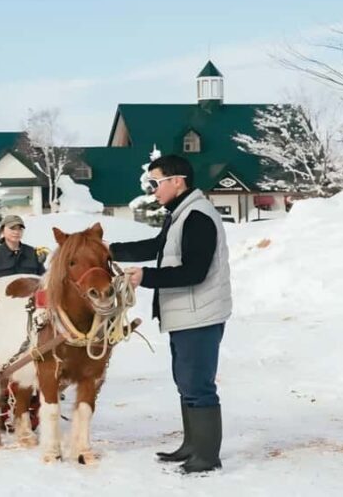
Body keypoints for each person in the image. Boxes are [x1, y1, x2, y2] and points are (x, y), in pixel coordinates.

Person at [109, 154, 231, 474]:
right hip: (185, 314)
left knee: (198, 384)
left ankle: (207, 456)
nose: (152, 190)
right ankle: (192, 445)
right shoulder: (180, 214)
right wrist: (110, 250)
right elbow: (156, 247)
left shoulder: (198, 217)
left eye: (155, 183)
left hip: (200, 315)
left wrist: (146, 277)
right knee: (185, 381)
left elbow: (194, 272)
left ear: (177, 181)